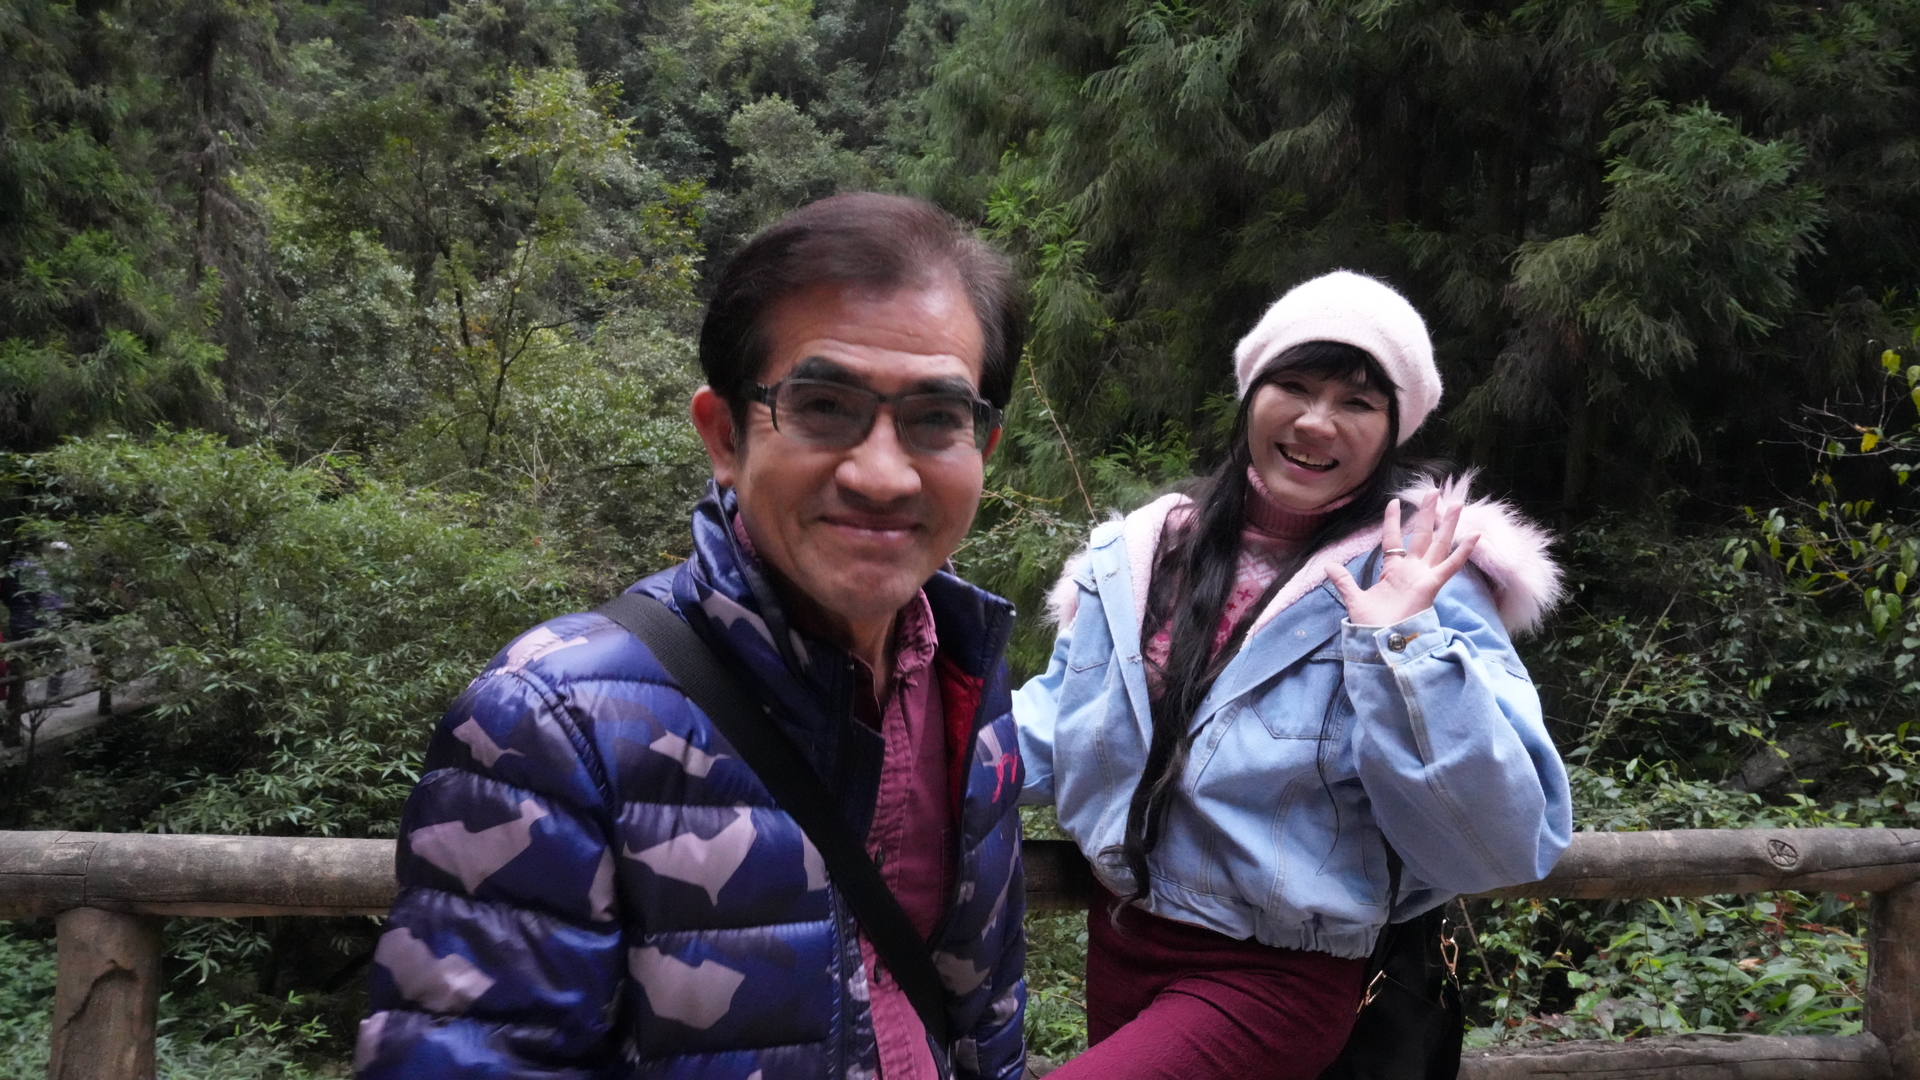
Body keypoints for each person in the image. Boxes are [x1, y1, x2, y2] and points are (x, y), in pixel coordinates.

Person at [355, 193, 1030, 1080]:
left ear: (983, 446)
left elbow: (983, 1019)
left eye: (935, 417)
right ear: (724, 436)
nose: (881, 473)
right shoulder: (553, 724)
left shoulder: (968, 679)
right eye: (823, 405)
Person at [1013, 271, 1573, 1080]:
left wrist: (1401, 646)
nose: (1317, 421)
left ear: (1393, 429)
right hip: (1124, 938)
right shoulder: (1149, 553)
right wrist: (914, 750)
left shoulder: (1424, 575)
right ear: (1251, 394)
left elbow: (1509, 839)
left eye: (1357, 401)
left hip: (1274, 972)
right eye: (1296, 386)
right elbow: (1058, 722)